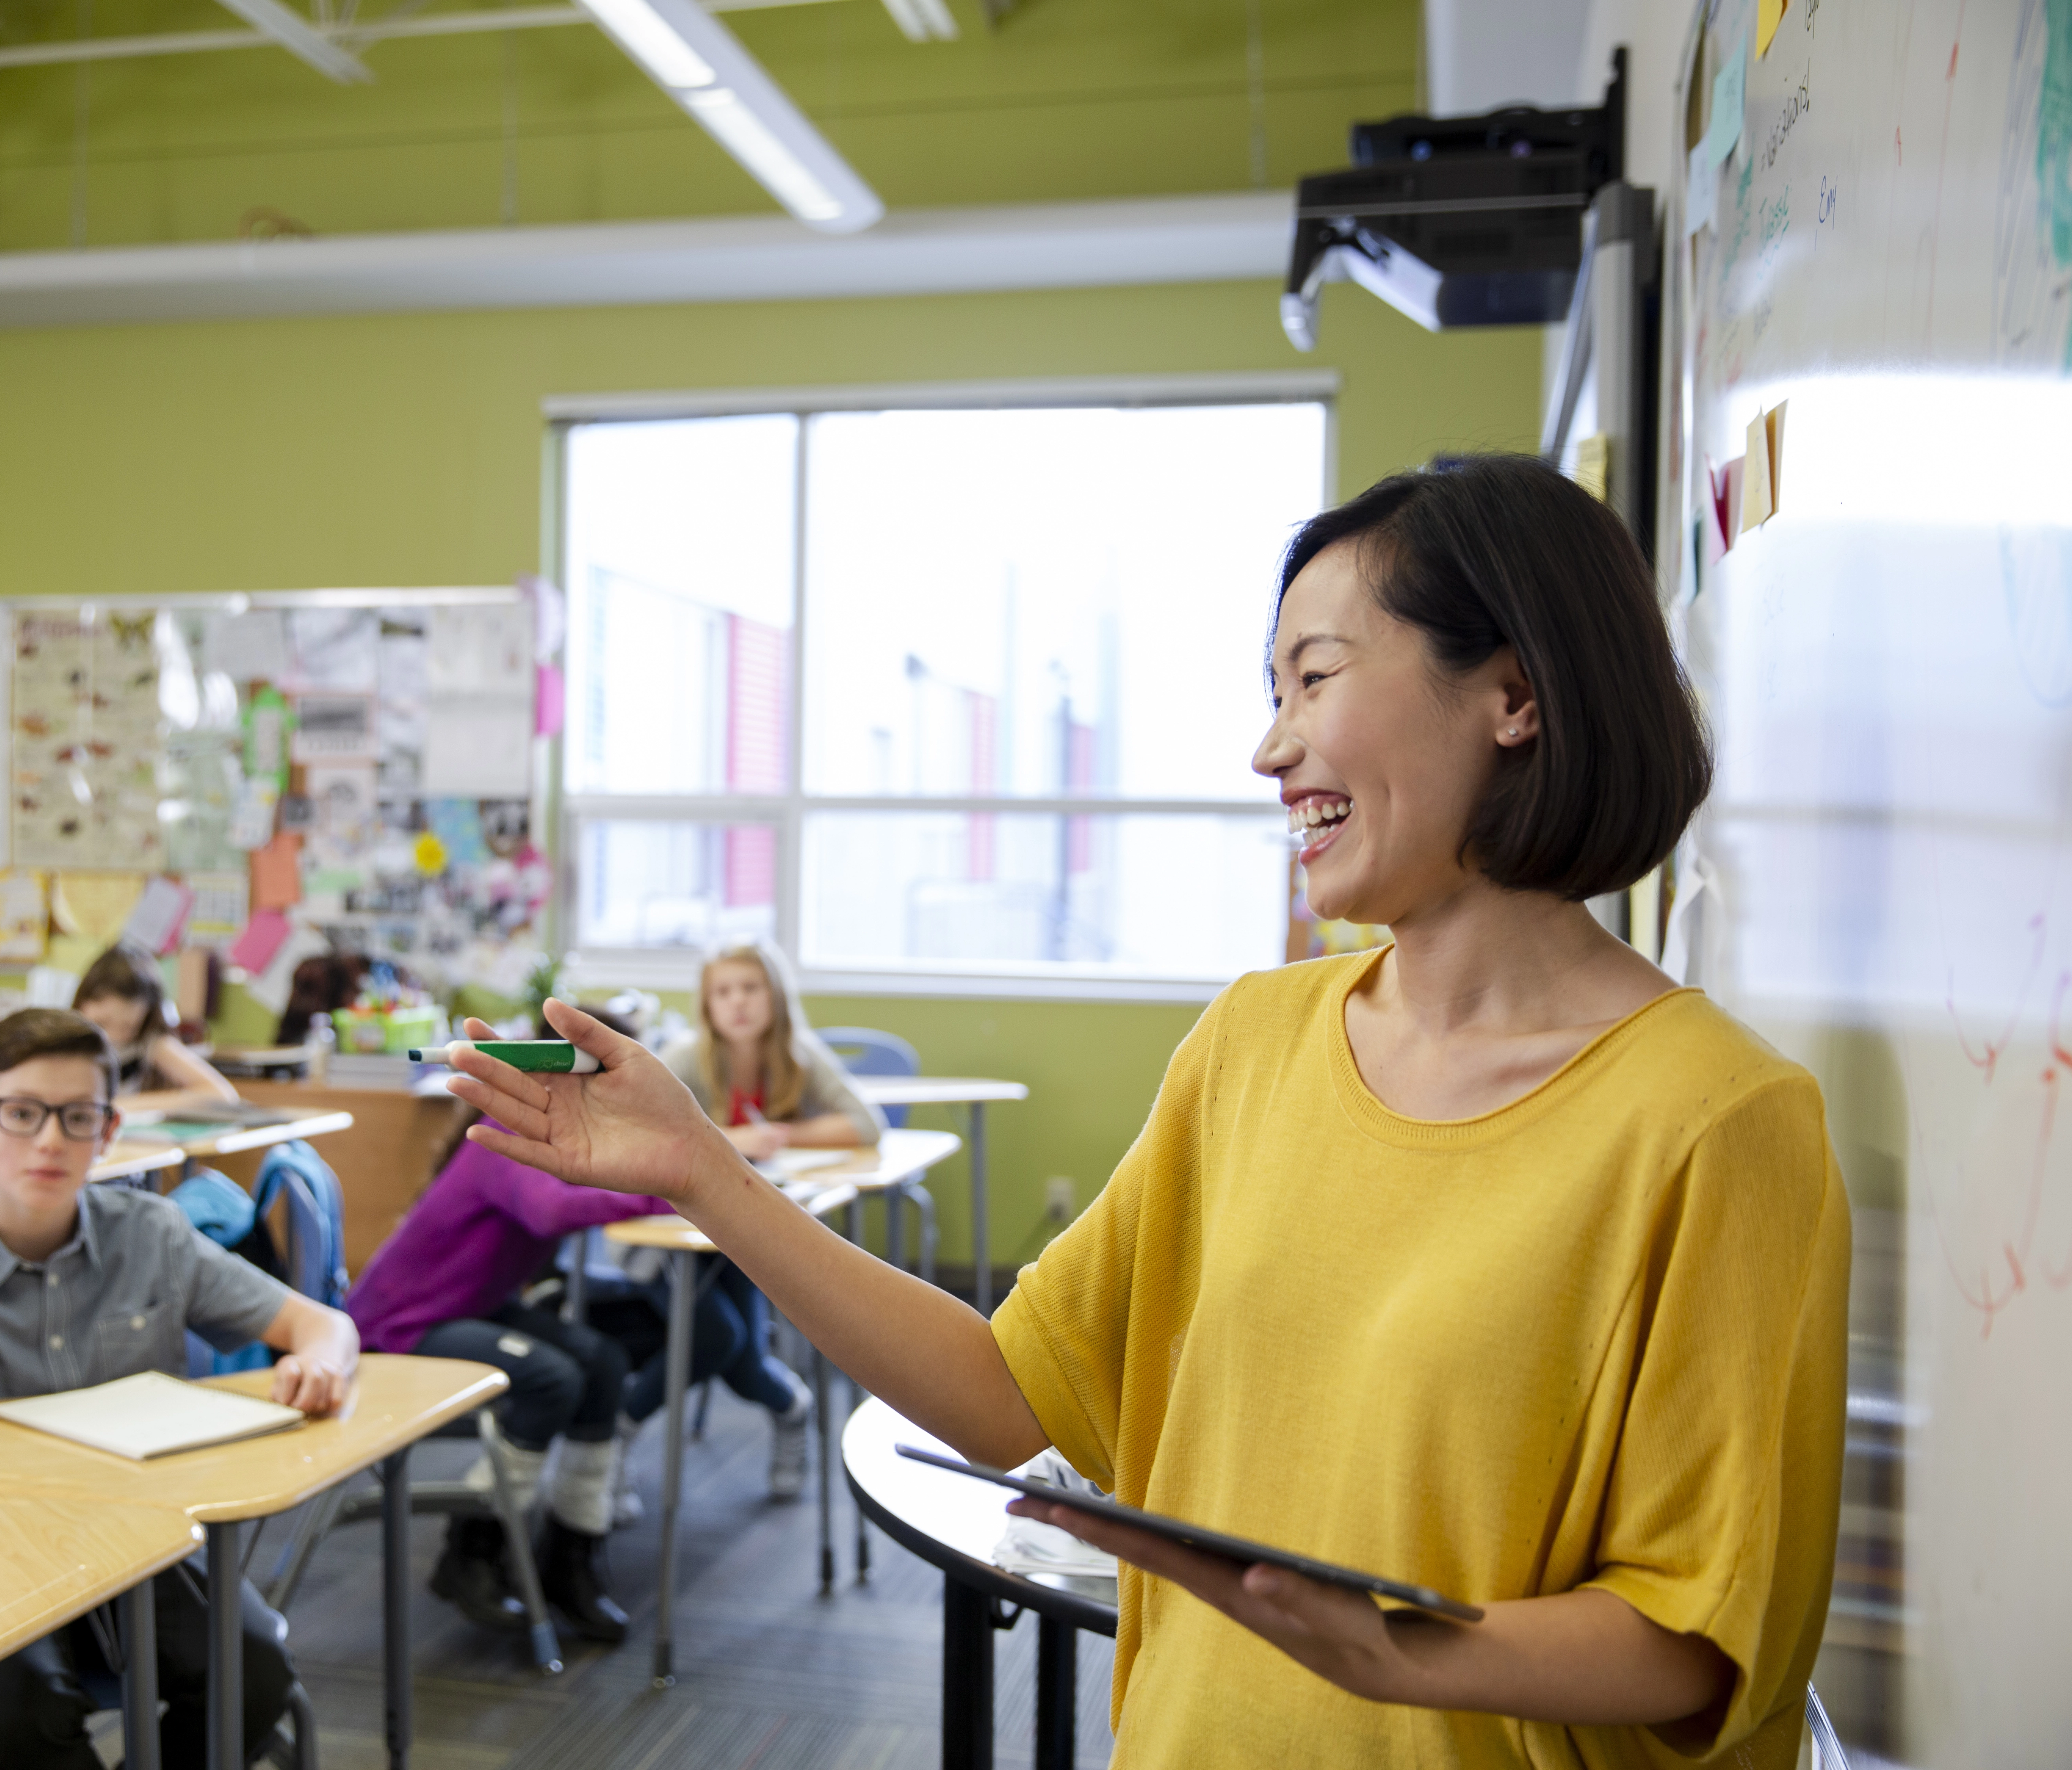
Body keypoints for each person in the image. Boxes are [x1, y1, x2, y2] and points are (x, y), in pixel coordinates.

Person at [435, 456, 1851, 1767]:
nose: (1267, 747)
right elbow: (1004, 1396)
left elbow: (1698, 1638)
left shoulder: (1715, 1124)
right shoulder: (1252, 1042)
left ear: (1512, 695)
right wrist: (703, 1172)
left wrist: (1406, 1652)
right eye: (1270, 690)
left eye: (1311, 678)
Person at [0, 1007, 358, 1770]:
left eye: (76, 1118)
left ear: (109, 1132)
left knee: (254, 1669)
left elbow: (324, 1327)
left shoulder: (151, 1232)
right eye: (22, 1114)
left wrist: (321, 1364)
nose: (49, 1141)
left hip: (138, 1540)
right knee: (20, 1707)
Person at [346, 1010, 666, 1644]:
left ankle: (572, 1557)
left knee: (601, 1363)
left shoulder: (545, 1139)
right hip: (402, 1330)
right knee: (552, 1378)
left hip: (475, 1307)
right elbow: (550, 1212)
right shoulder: (498, 1138)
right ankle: (473, 1548)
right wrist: (658, 1186)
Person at [629, 940, 883, 1498]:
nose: (738, 1003)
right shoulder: (687, 1056)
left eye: (751, 989)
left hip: (741, 1237)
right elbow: (639, 1134)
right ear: (707, 1005)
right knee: (723, 1340)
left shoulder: (798, 1054)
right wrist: (736, 1142)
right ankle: (623, 1431)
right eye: (724, 992)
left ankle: (613, 1437)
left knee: (737, 1352)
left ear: (776, 997)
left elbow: (866, 1125)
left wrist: (783, 1135)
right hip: (669, 1240)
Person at [73, 945, 238, 1100]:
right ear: (81, 1006)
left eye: (128, 1027)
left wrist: (120, 1107)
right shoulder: (69, 1044)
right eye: (101, 1023)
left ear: (146, 1019)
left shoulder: (151, 1044)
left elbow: (222, 1093)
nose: (112, 1038)